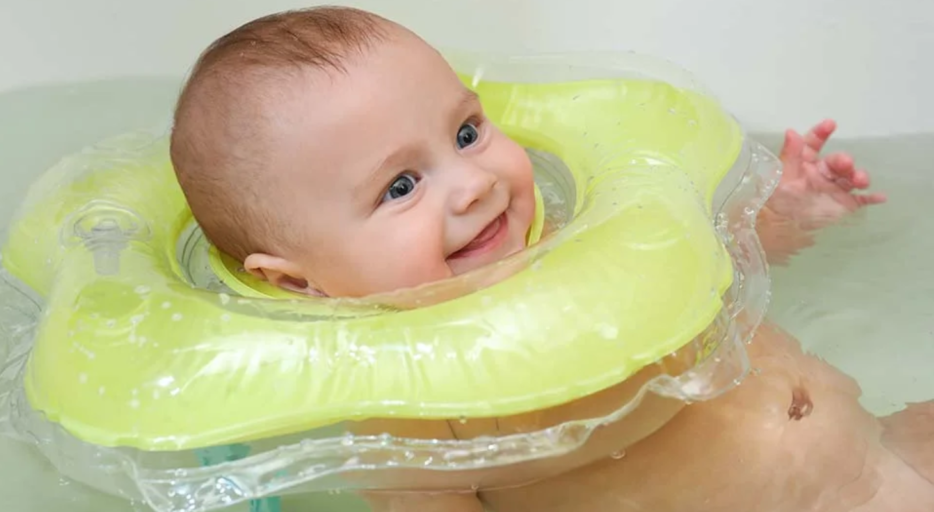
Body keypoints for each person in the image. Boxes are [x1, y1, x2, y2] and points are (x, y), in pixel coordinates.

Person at [169, 6, 931, 511]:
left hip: (879, 443)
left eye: (466, 132)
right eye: (401, 186)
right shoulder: (409, 404)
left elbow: (721, 269)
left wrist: (792, 212)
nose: (473, 184)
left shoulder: (581, 228)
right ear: (299, 282)